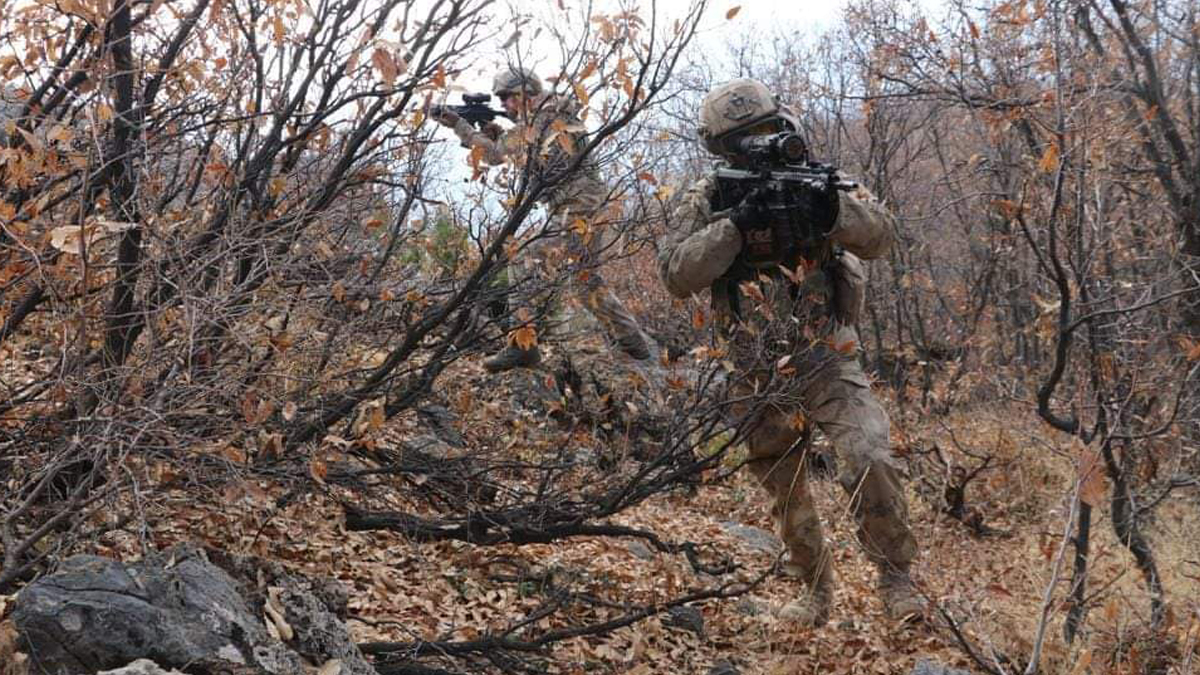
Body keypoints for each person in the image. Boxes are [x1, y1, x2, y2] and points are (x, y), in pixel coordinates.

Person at [657, 78, 921, 626]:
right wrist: (735, 225)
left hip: (825, 353)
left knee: (869, 455)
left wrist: (832, 213)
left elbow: (883, 236)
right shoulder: (709, 194)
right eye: (742, 140)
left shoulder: (820, 180)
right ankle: (814, 593)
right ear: (721, 149)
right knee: (784, 483)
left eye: (766, 132)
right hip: (753, 365)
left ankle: (897, 580)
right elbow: (676, 275)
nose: (757, 146)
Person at [432, 66, 652, 372]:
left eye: (509, 98)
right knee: (586, 281)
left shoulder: (545, 117)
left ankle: (523, 348)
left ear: (525, 93)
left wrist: (461, 126)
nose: (506, 105)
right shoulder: (546, 116)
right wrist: (495, 132)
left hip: (578, 207)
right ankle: (636, 345)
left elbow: (496, 156)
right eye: (503, 100)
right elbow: (514, 149)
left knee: (524, 259)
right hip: (582, 206)